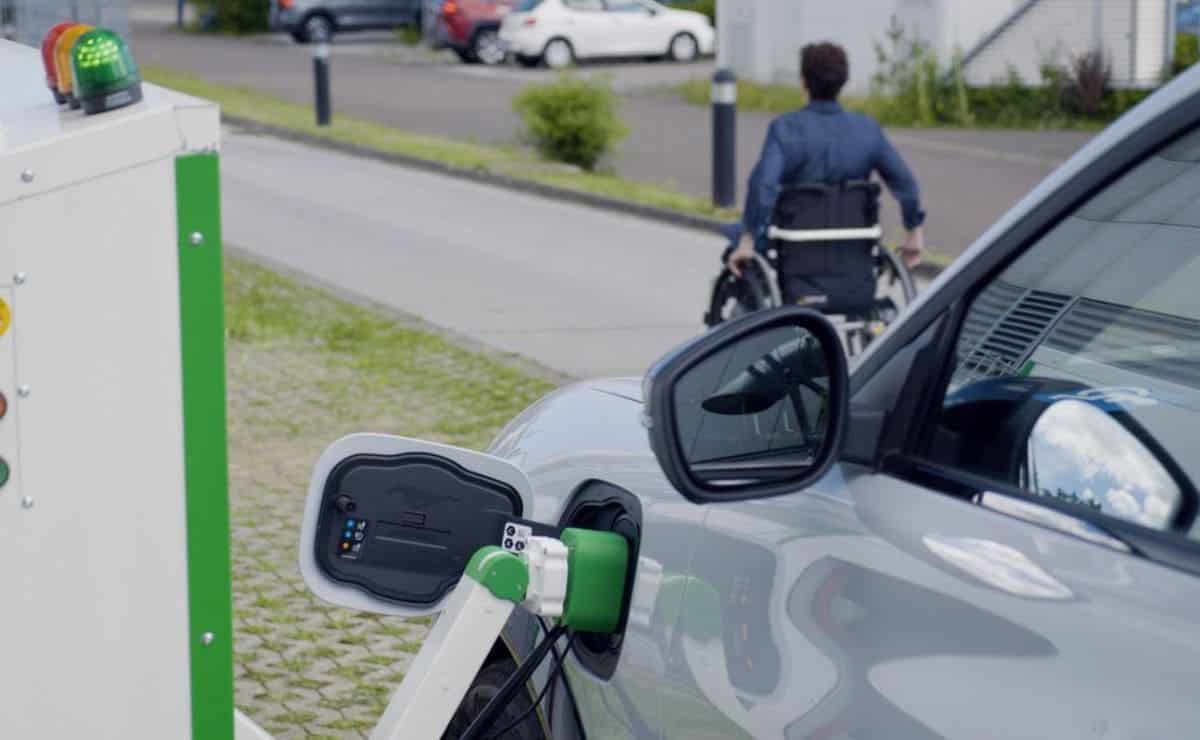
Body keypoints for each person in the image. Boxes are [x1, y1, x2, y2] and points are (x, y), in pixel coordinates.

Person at [726, 42, 926, 278]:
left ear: (803, 81)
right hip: (852, 242)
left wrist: (747, 239)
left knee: (736, 234)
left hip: (796, 241)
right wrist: (913, 230)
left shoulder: (785, 129)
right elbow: (905, 183)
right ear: (844, 81)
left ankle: (747, 311)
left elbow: (764, 185)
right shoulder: (867, 130)